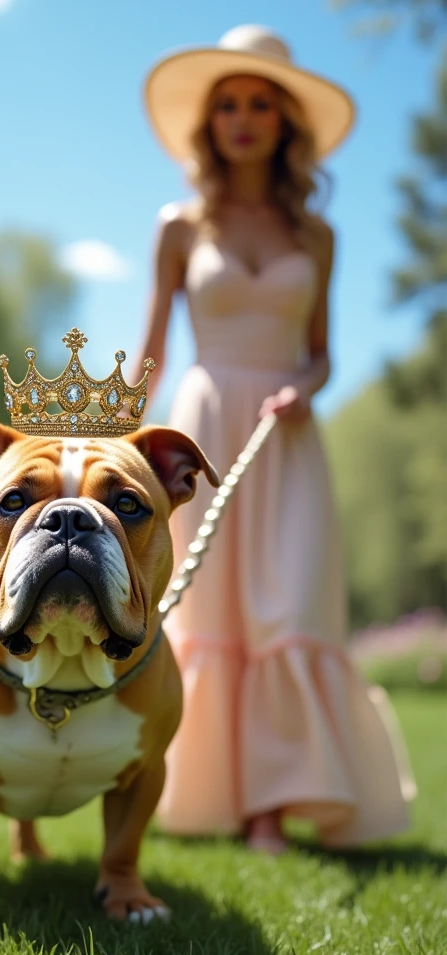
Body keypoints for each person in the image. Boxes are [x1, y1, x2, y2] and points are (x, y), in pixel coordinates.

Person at [135, 24, 415, 853]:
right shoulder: (179, 226)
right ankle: (190, 794)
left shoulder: (316, 236)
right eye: (229, 105)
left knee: (285, 606)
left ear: (286, 122)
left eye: (261, 103)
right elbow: (152, 348)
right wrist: (120, 445)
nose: (245, 119)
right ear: (209, 122)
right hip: (203, 424)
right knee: (207, 601)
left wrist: (308, 387)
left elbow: (323, 351)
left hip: (286, 437)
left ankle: (271, 810)